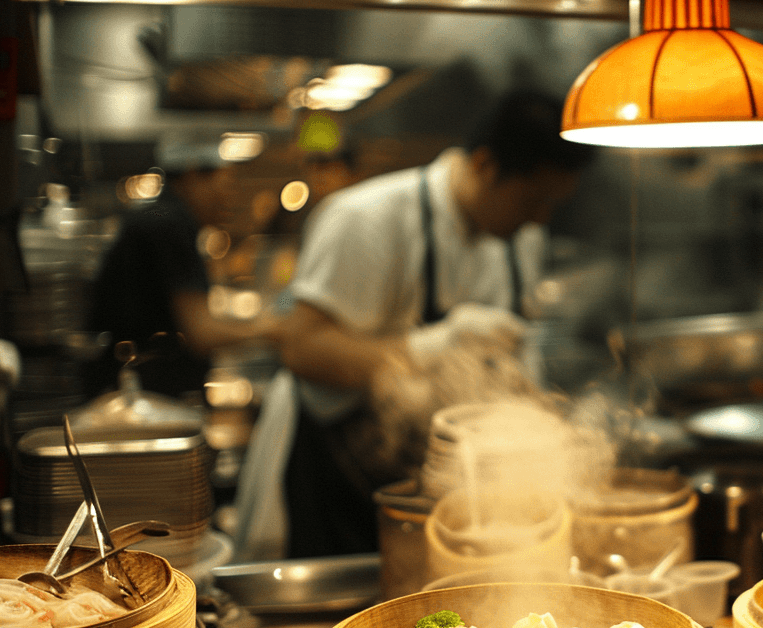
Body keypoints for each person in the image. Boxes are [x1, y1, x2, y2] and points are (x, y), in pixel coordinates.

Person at [236, 90, 594, 559]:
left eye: (551, 204)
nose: (539, 218)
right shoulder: (365, 220)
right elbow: (303, 348)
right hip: (337, 470)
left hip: (449, 482)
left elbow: (506, 362)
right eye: (533, 199)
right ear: (486, 165)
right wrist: (436, 347)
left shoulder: (519, 236)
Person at [84, 136, 279, 400]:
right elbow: (201, 333)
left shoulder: (159, 215)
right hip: (145, 392)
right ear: (192, 176)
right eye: (225, 182)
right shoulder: (170, 223)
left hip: (130, 379)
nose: (228, 197)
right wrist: (274, 328)